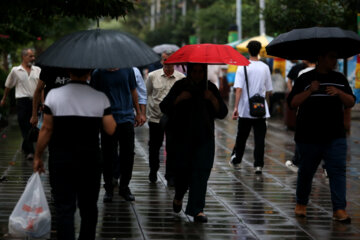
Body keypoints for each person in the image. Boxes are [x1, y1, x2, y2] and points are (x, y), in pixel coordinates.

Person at [33, 68, 116, 240]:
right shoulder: (99, 97)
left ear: (69, 73)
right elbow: (110, 128)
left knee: (64, 207)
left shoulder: (54, 95)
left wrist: (38, 156)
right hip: (90, 160)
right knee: (89, 207)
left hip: (61, 159)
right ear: (88, 74)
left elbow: (47, 129)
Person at [287, 50, 355, 223]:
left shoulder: (339, 79)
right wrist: (310, 91)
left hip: (335, 136)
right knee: (306, 172)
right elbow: (293, 103)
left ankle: (339, 209)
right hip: (308, 136)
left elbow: (351, 102)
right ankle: (301, 203)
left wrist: (339, 93)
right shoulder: (304, 79)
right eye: (331, 56)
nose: (334, 60)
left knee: (337, 171)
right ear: (321, 58)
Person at [160, 63, 228, 222]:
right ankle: (178, 196)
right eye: (194, 71)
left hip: (204, 138)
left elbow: (222, 112)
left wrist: (211, 98)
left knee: (201, 172)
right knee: (183, 173)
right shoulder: (180, 85)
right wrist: (179, 98)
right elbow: (164, 106)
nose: (197, 75)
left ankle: (197, 209)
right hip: (182, 139)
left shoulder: (210, 87)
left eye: (200, 72)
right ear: (189, 72)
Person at [91, 67, 142, 203]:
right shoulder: (98, 73)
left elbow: (133, 91)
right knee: (108, 154)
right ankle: (108, 188)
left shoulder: (128, 70)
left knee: (128, 153)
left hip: (126, 118)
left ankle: (124, 187)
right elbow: (94, 95)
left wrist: (138, 112)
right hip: (107, 117)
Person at [229, 40, 273, 174]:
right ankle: (258, 165)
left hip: (245, 110)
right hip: (260, 109)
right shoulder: (265, 67)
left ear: (248, 50)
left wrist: (236, 108)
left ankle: (237, 160)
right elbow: (268, 90)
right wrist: (266, 107)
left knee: (241, 137)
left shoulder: (242, 67)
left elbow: (238, 89)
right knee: (260, 139)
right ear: (259, 50)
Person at [146, 50, 185, 185]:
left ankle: (170, 175)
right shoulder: (152, 76)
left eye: (170, 60)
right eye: (165, 60)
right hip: (156, 118)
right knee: (154, 146)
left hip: (173, 118)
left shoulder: (181, 78)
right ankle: (153, 170)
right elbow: (148, 93)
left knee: (172, 147)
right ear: (162, 61)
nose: (167, 63)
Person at [1, 48, 41, 160]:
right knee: (24, 125)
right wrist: (4, 98)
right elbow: (8, 86)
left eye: (33, 56)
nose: (33, 58)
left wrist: (43, 102)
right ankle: (31, 151)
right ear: (23, 57)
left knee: (33, 125)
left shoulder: (37, 70)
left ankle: (25, 146)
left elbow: (42, 88)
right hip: (22, 101)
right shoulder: (15, 70)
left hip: (35, 101)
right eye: (30, 56)